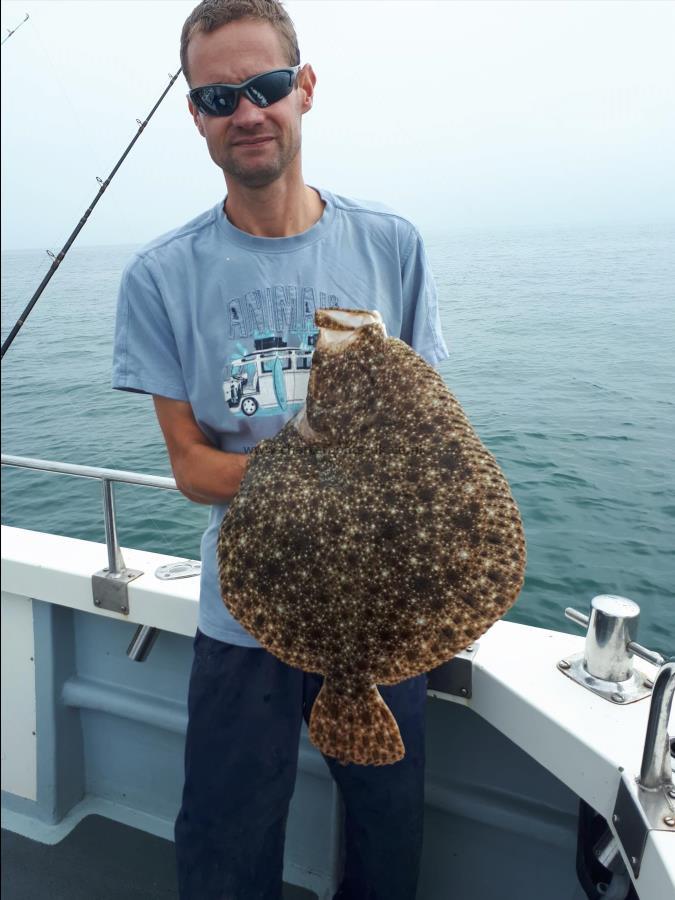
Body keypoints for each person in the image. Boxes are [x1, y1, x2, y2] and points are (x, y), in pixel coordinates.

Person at [112, 1, 449, 897]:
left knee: (387, 828)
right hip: (245, 612)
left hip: (386, 611)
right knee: (225, 834)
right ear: (195, 114)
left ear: (303, 89)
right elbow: (192, 469)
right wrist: (328, 473)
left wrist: (316, 476)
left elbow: (432, 440)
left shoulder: (389, 244)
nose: (246, 112)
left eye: (264, 87)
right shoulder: (160, 275)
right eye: (218, 96)